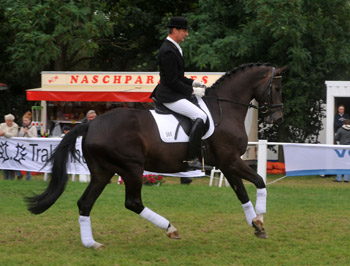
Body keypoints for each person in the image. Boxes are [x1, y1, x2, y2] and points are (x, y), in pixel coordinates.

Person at [150, 16, 209, 171]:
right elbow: (171, 81)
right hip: (169, 96)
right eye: (184, 31)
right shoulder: (168, 51)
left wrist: (193, 83)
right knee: (201, 116)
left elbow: (178, 77)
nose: (186, 34)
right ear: (174, 30)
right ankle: (191, 158)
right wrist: (191, 91)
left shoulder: (174, 47)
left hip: (174, 92)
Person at [18, 111, 38, 180]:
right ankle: (19, 174)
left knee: (27, 162)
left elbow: (35, 138)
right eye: (24, 120)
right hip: (22, 146)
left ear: (29, 121)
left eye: (26, 120)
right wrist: (22, 131)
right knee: (18, 160)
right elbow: (20, 136)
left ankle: (28, 177)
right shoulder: (22, 128)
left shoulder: (33, 128)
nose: (24, 122)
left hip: (29, 147)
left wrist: (28, 133)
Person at [0, 114, 19, 180]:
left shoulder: (15, 126)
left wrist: (4, 134)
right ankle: (5, 179)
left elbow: (13, 135)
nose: (10, 122)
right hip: (3, 148)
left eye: (11, 121)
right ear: (6, 121)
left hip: (12, 148)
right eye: (8, 121)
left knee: (11, 163)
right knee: (4, 163)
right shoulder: (2, 125)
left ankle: (12, 179)